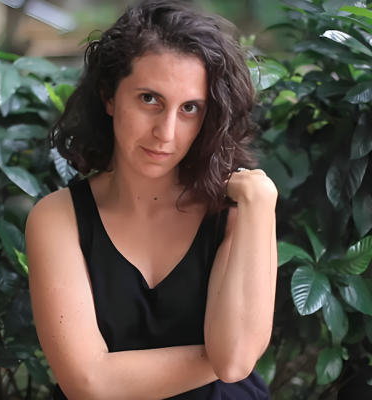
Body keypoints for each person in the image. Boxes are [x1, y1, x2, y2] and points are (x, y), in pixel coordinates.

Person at [25, 0, 278, 399]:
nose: (166, 132)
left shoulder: (238, 212)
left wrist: (261, 203)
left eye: (190, 108)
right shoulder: (58, 218)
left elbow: (234, 362)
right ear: (109, 96)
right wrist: (217, 349)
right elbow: (87, 383)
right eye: (149, 99)